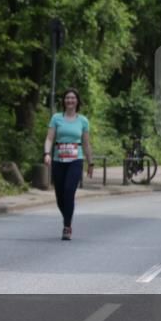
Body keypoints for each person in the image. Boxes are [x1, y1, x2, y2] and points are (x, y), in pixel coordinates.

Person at [43, 88, 94, 240]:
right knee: (60, 197)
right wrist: (46, 153)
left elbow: (86, 143)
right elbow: (50, 138)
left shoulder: (83, 120)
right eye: (67, 98)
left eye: (73, 98)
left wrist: (90, 163)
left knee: (69, 191)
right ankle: (67, 217)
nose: (70, 100)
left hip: (75, 160)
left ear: (77, 101)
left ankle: (67, 226)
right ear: (64, 101)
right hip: (59, 160)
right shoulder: (56, 118)